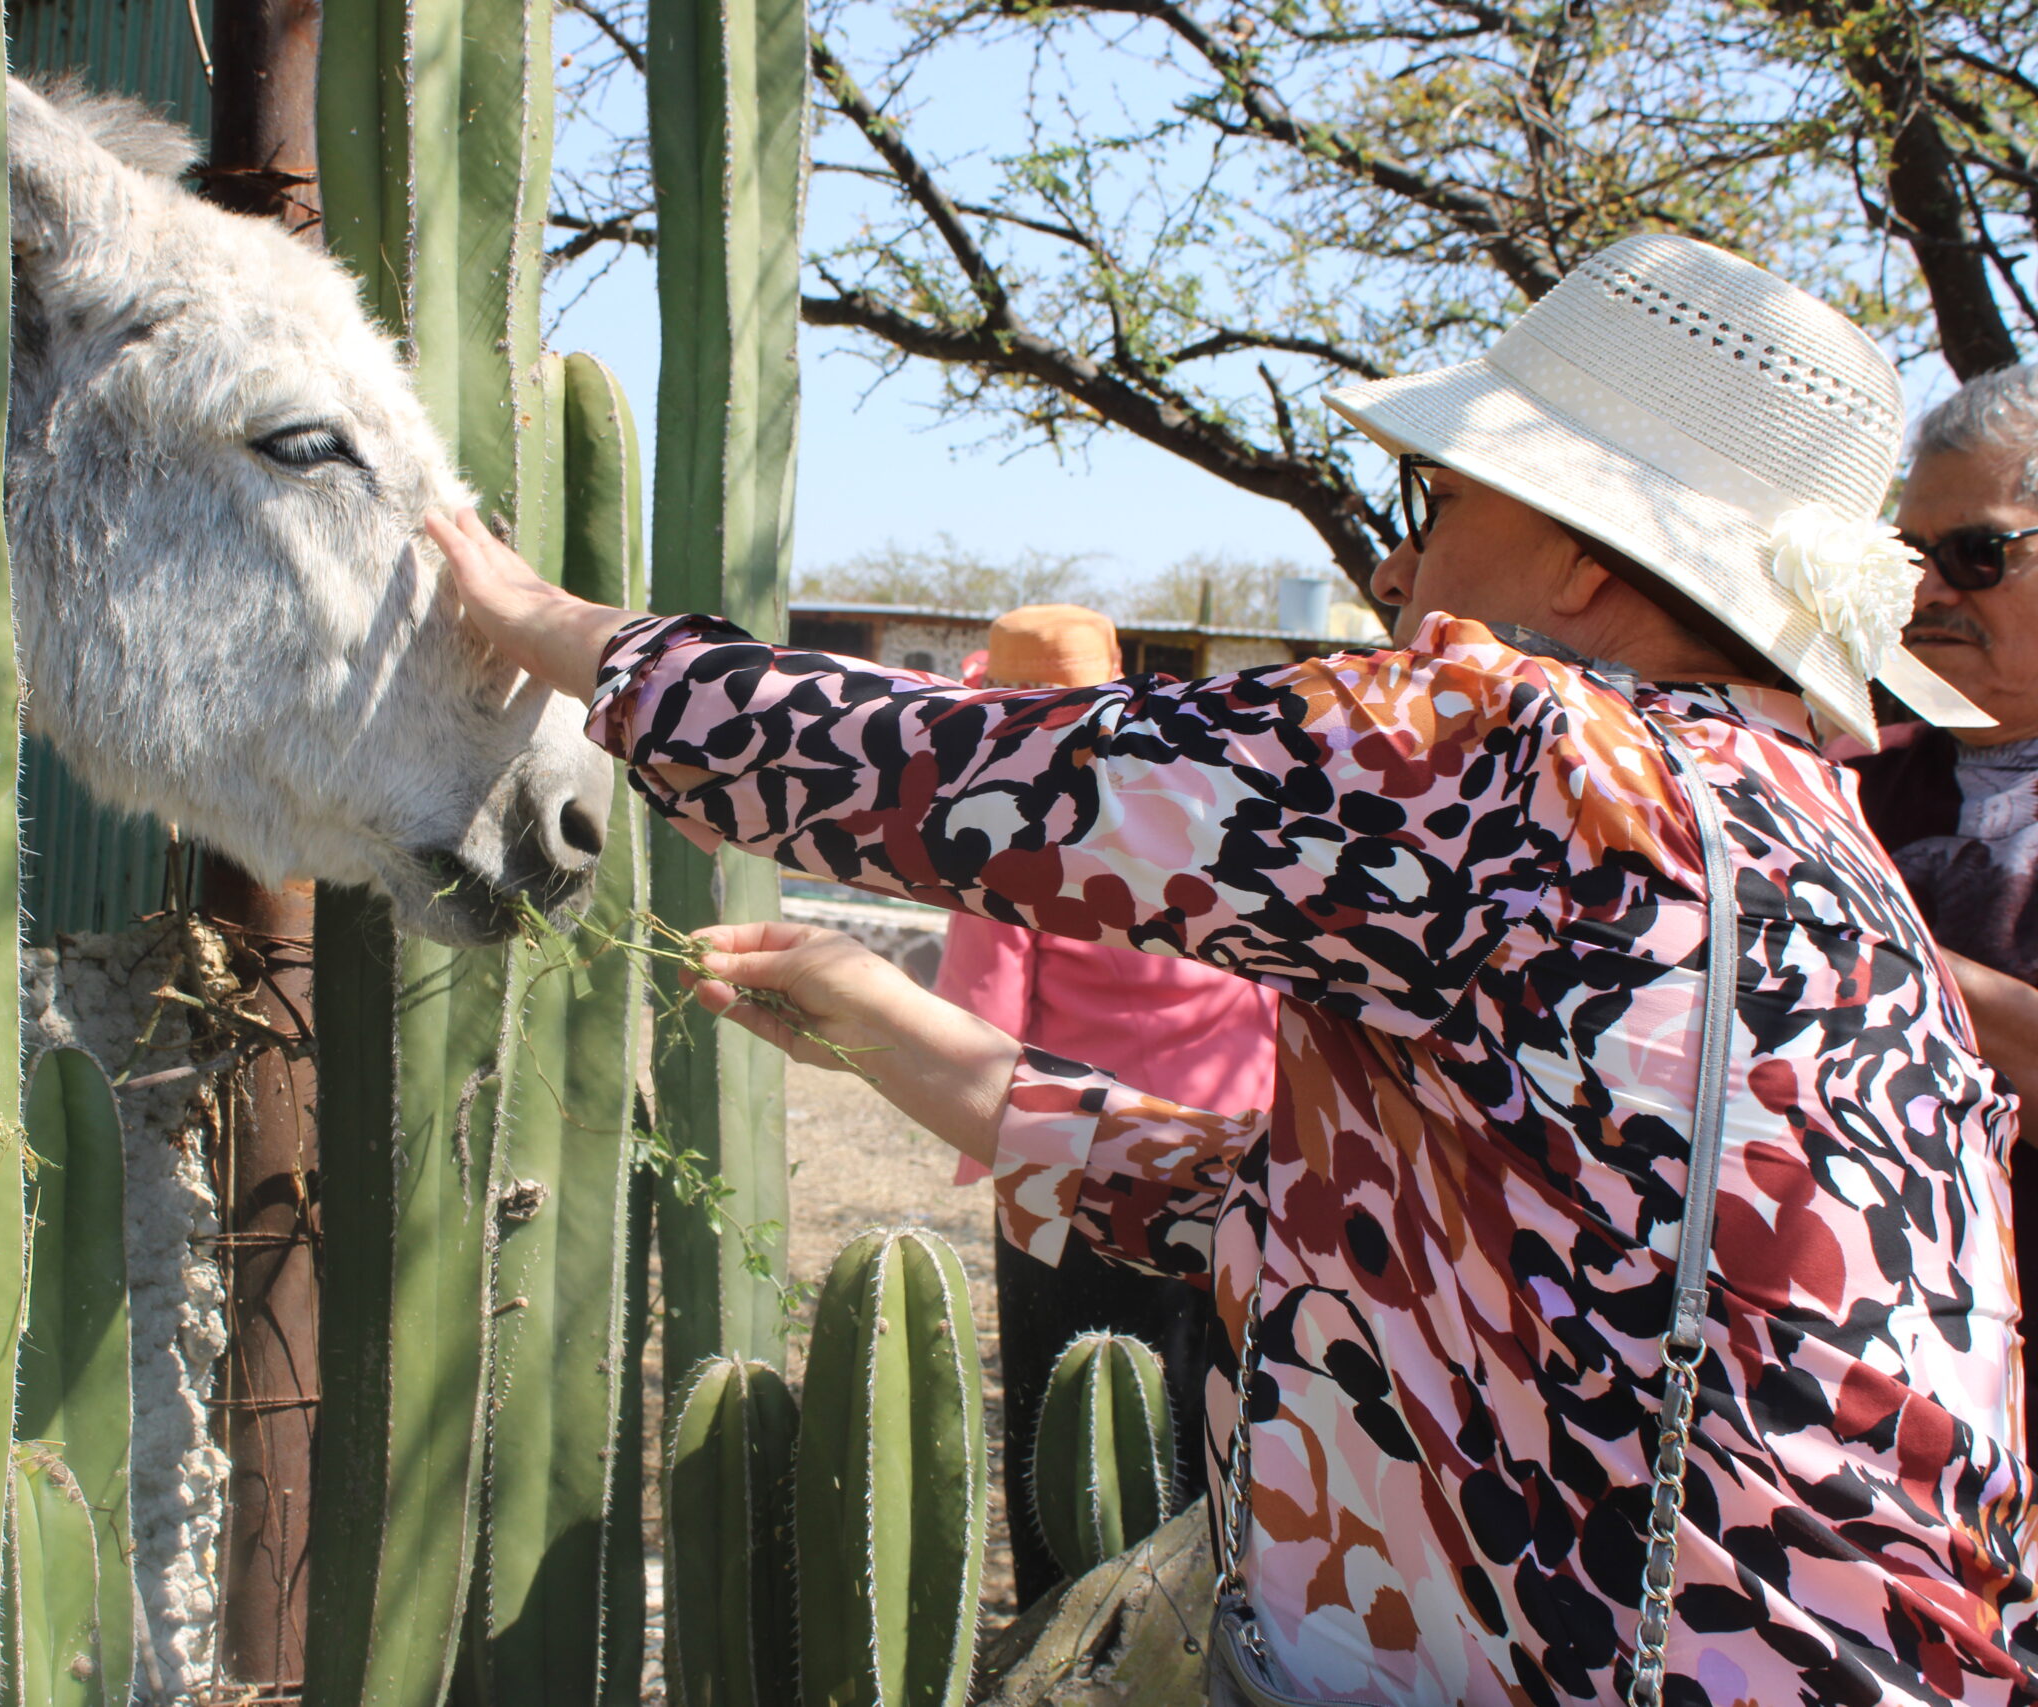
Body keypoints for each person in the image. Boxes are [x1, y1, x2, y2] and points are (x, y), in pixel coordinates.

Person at [429, 234, 2030, 1702]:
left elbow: (952, 770)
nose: (1402, 575)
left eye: (1439, 503)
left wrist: (529, 611)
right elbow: (1368, 1244)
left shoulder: (1521, 752)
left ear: (1585, 562)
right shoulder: (1804, 828)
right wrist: (902, 1034)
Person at [937, 603, 1277, 1605]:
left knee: (1066, 1410)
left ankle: (1065, 1614)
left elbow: (983, 1005)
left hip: (1057, 1138)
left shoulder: (999, 817)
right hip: (1227, 1136)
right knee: (1201, 1395)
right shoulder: (1208, 795)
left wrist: (974, 1146)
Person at [1853, 362, 2038, 1449]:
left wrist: (1879, 955)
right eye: (1907, 555)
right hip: (1872, 1427)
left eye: (1977, 553)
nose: (1928, 592)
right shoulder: (1841, 780)